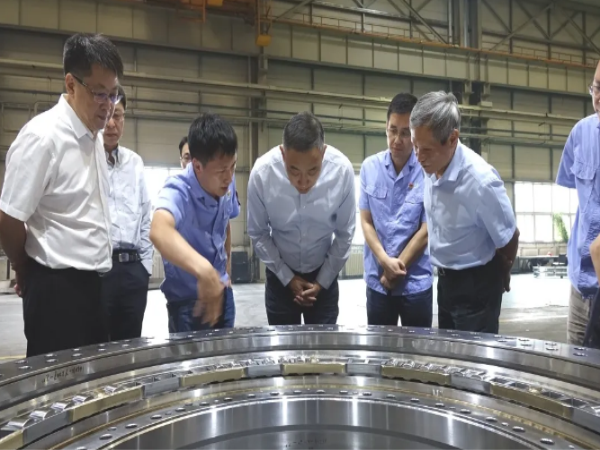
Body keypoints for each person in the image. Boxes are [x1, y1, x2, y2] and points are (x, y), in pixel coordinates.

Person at [0, 33, 123, 357]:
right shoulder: (43, 138)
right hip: (55, 291)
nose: (108, 105)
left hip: (94, 285)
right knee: (54, 383)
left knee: (95, 381)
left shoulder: (93, 137)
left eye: (113, 94)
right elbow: (9, 217)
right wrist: (23, 266)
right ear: (71, 84)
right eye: (99, 93)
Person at [410, 91, 519, 334]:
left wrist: (501, 272)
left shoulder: (480, 182)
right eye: (415, 146)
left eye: (426, 150)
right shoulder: (432, 165)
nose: (418, 157)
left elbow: (510, 236)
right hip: (445, 283)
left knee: (475, 356)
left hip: (476, 288)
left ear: (452, 139)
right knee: (451, 353)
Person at [247, 111, 356, 325]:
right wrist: (287, 278)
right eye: (294, 171)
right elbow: (258, 233)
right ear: (283, 153)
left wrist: (321, 282)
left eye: (313, 170)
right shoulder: (262, 174)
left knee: (323, 345)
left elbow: (345, 234)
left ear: (323, 153)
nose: (304, 182)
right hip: (279, 276)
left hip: (324, 274)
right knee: (283, 344)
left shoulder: (342, 172)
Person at [150, 113, 239, 332]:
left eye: (233, 166)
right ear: (197, 166)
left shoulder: (227, 180)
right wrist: (204, 271)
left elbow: (226, 224)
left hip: (223, 293)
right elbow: (159, 230)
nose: (229, 177)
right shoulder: (178, 189)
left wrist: (225, 271)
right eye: (222, 170)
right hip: (188, 305)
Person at [359, 93, 433, 327]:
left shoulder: (427, 172)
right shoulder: (369, 168)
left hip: (416, 284)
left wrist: (396, 268)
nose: (397, 140)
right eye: (392, 131)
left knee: (418, 349)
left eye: (405, 133)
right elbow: (366, 222)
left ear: (415, 134)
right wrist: (384, 262)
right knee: (379, 348)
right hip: (378, 282)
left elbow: (427, 229)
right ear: (386, 128)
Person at [101, 86, 153, 341]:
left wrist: (145, 267)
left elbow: (146, 215)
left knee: (131, 344)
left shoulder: (135, 163)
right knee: (99, 343)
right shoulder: (87, 159)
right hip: (100, 271)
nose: (111, 123)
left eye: (118, 115)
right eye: (107, 115)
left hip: (134, 270)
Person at [556, 60, 600, 345]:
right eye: (597, 88)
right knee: (575, 367)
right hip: (580, 286)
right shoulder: (580, 134)